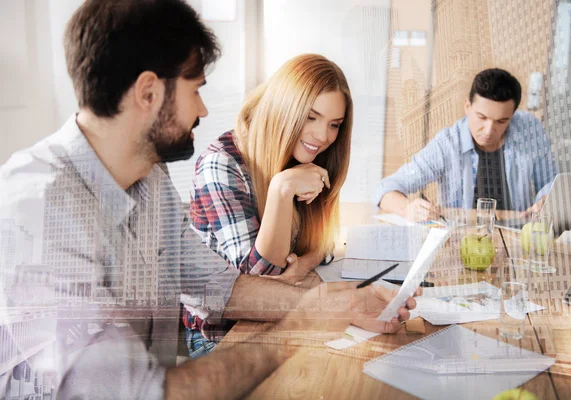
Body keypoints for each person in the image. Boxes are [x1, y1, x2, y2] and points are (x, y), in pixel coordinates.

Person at [0, 1, 417, 398]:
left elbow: (214, 285)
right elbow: (139, 394)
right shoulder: (38, 208)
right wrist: (299, 325)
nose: (202, 109)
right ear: (148, 93)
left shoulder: (151, 177)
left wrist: (333, 302)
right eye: (196, 89)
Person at [184, 54, 352, 355]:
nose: (322, 136)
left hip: (285, 315)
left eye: (334, 124)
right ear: (284, 108)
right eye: (311, 117)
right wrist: (281, 189)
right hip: (222, 337)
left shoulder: (307, 157)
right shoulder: (221, 164)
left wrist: (300, 265)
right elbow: (255, 283)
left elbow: (324, 244)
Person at [375, 68, 558, 222]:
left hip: (518, 239)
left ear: (513, 115)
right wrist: (407, 209)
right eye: (482, 117)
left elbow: (551, 181)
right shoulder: (446, 145)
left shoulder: (528, 128)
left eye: (501, 121)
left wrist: (546, 200)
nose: (488, 130)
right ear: (467, 106)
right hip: (463, 243)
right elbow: (385, 190)